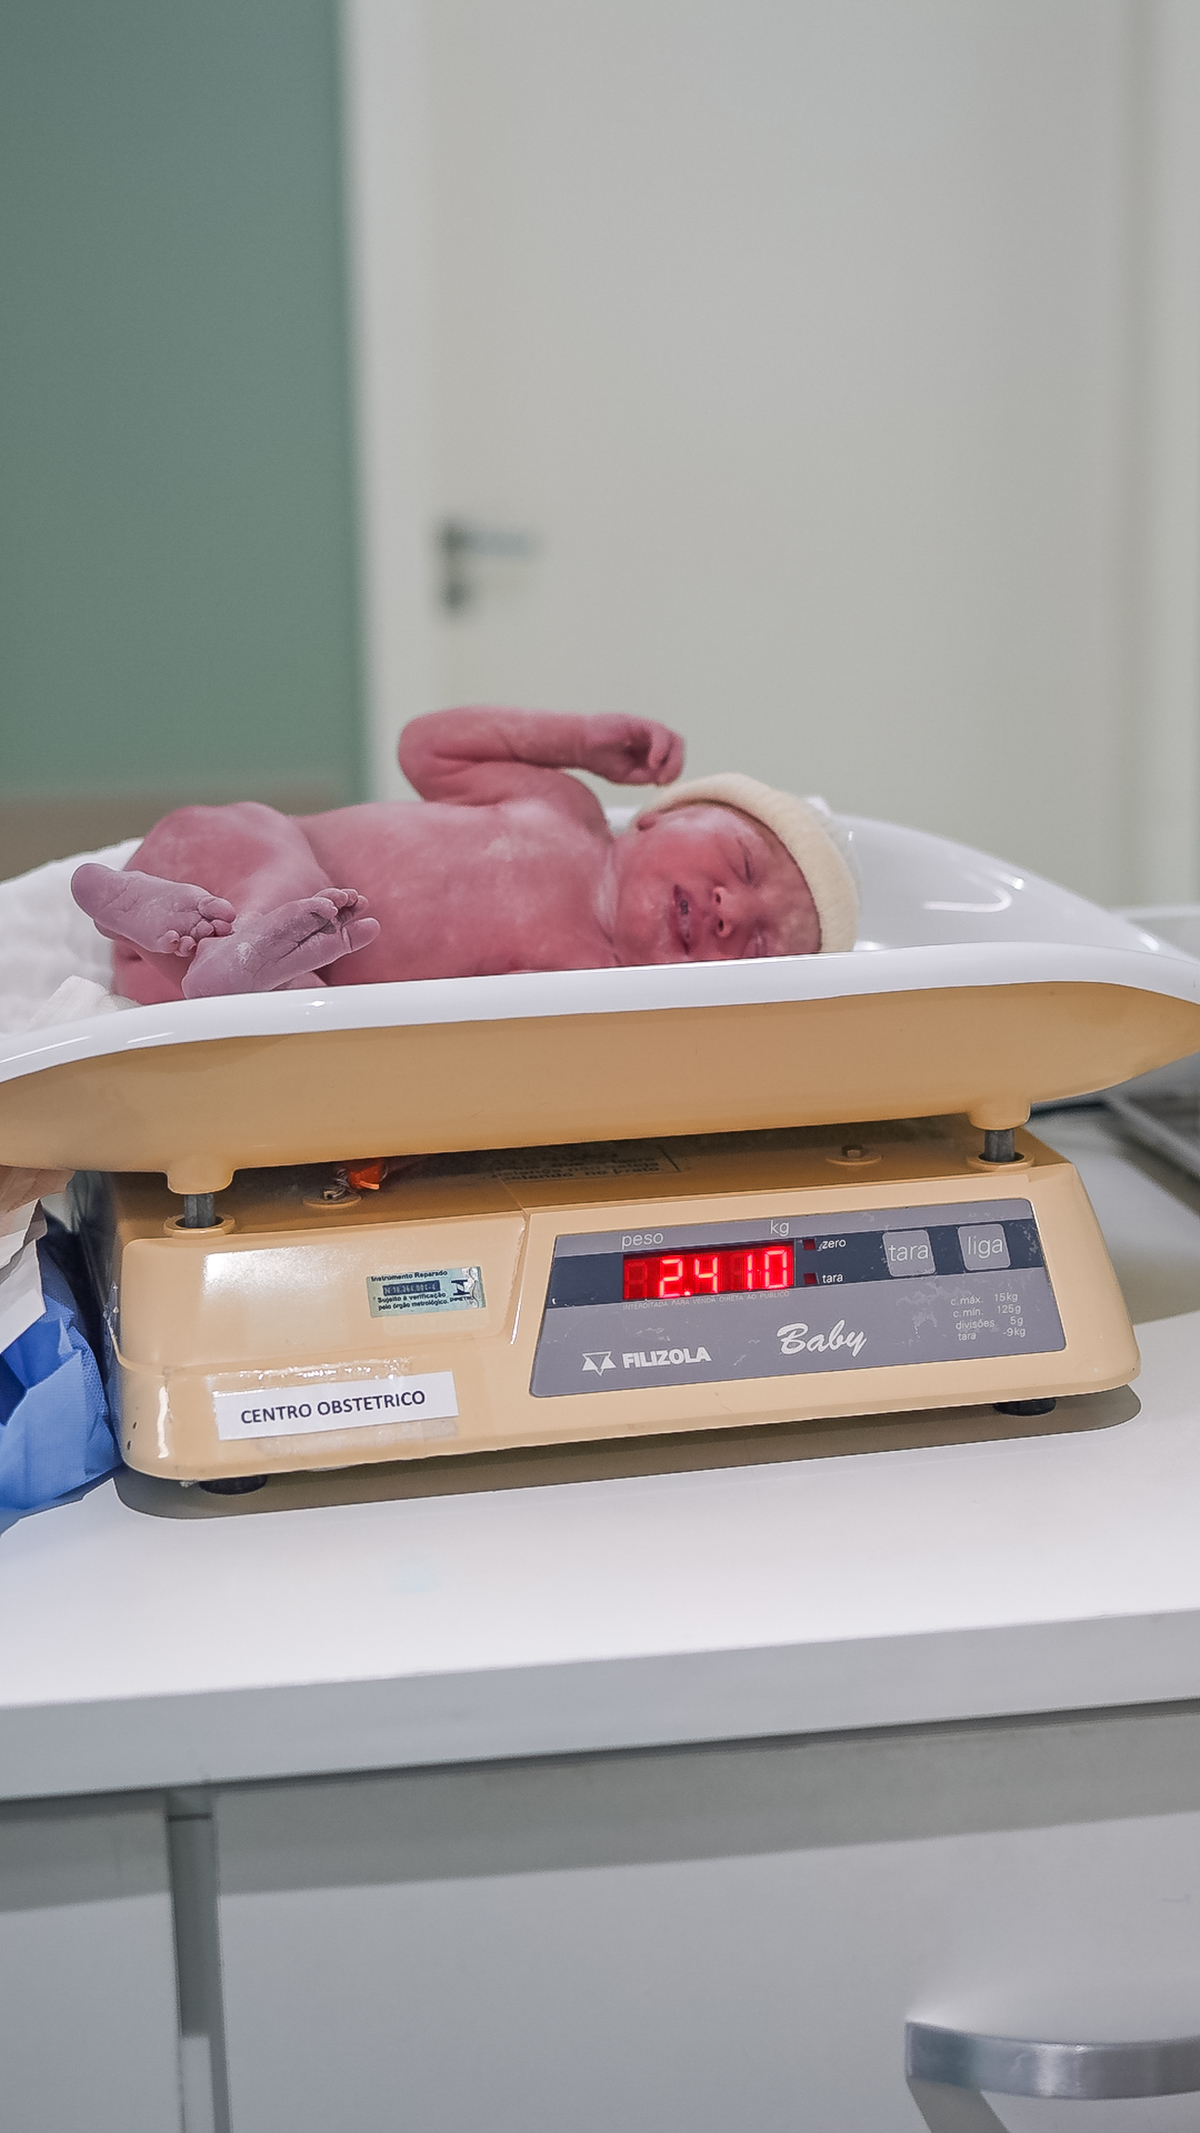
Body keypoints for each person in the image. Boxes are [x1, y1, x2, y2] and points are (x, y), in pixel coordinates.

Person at [70, 710, 857, 1004]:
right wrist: (575, 740)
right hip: (228, 855)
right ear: (663, 815)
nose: (730, 910)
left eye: (757, 946)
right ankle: (204, 932)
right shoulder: (561, 805)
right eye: (742, 866)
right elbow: (428, 746)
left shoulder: (595, 981)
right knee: (280, 864)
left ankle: (167, 935)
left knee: (304, 1018)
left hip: (228, 983)